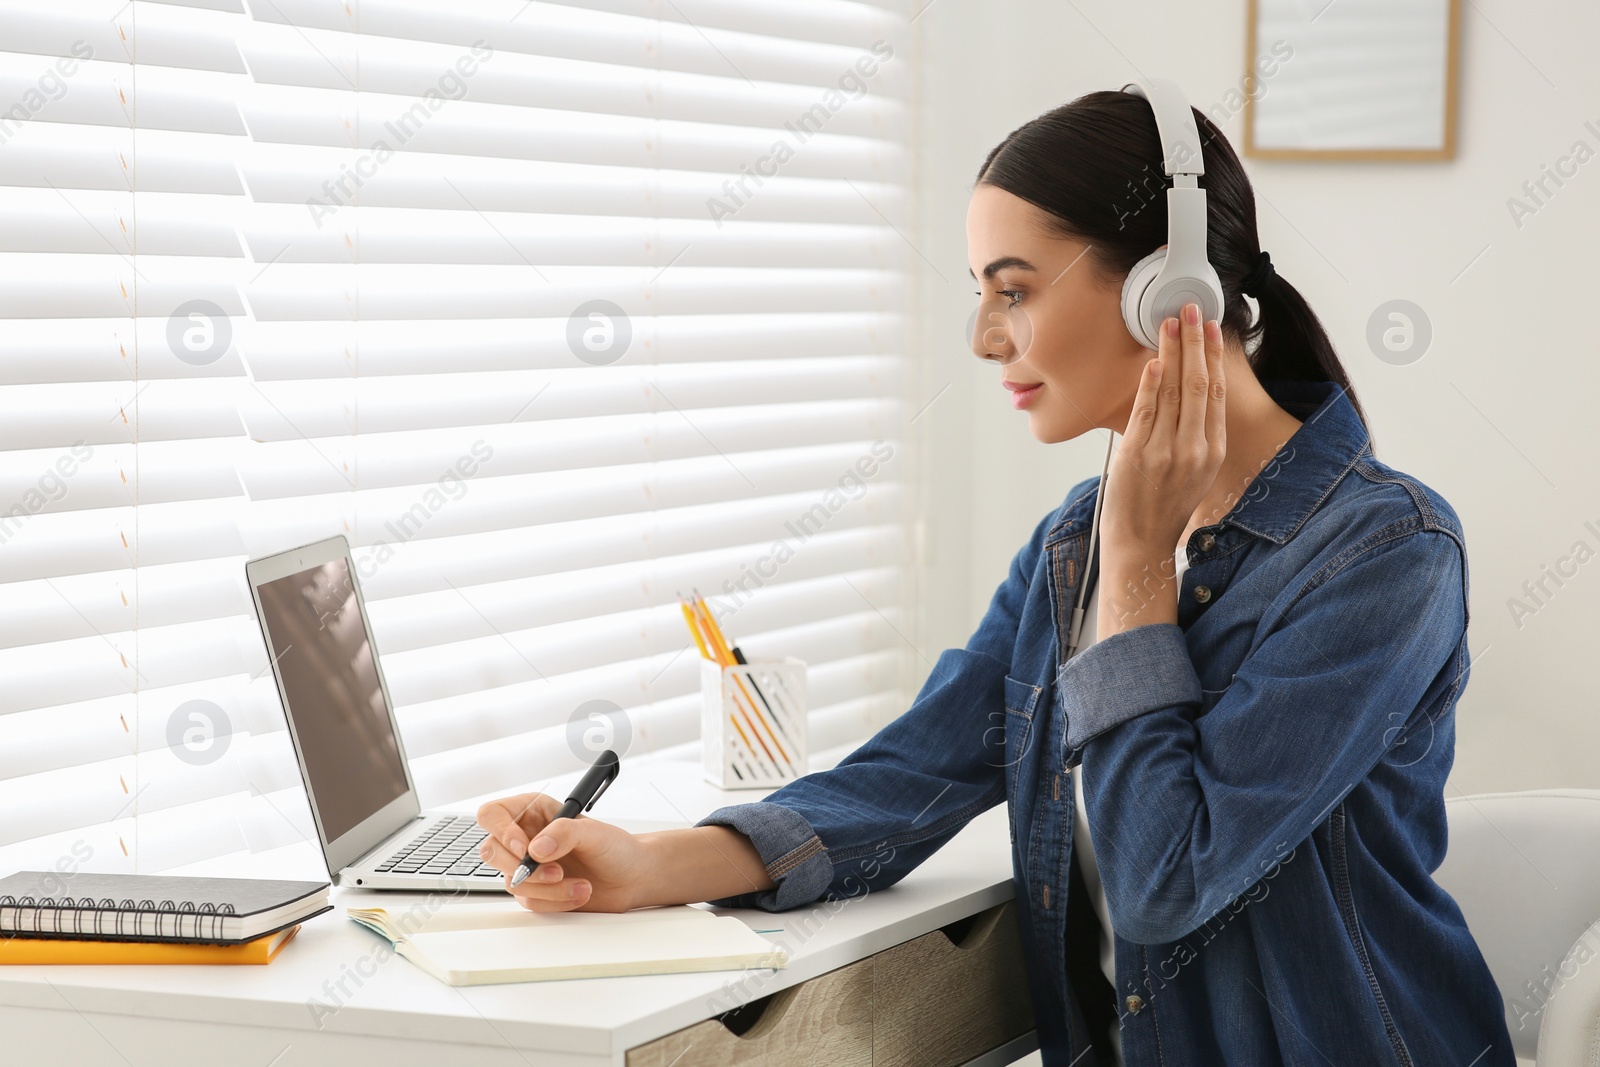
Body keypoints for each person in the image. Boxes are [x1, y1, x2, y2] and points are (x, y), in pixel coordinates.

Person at [476, 88, 1515, 1066]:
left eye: (1012, 290)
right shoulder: (1075, 541)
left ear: (1172, 293)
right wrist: (652, 863)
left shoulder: (1386, 556)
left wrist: (1141, 567)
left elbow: (1168, 877)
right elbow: (914, 771)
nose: (983, 338)